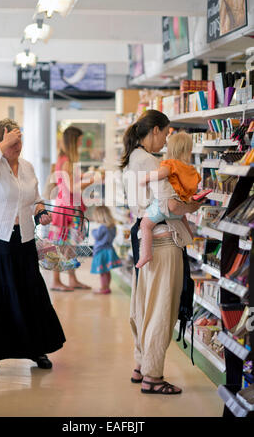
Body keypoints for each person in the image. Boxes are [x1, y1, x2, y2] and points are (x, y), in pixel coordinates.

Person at [0, 118, 66, 377]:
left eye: (20, 141)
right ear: (0, 141)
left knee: (30, 294)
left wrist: (40, 211)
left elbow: (35, 199)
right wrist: (1, 145)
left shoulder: (28, 168)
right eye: (12, 141)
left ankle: (36, 347)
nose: (17, 146)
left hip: (24, 239)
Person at [120, 110, 203, 395]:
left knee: (143, 306)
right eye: (166, 134)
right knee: (161, 311)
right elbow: (171, 206)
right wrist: (193, 206)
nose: (166, 140)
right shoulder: (151, 162)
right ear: (155, 130)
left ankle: (141, 365)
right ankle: (152, 377)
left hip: (146, 238)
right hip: (164, 242)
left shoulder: (132, 159)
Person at [136, 131, 201, 268]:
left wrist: (145, 179)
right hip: (180, 207)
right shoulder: (191, 170)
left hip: (164, 205)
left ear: (171, 149)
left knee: (145, 225)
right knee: (183, 219)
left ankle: (146, 254)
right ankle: (189, 236)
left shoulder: (170, 164)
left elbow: (161, 174)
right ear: (189, 150)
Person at [51, 126, 98, 292]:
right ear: (73, 141)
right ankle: (56, 280)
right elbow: (71, 187)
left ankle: (72, 279)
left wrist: (86, 176)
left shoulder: (66, 160)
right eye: (79, 140)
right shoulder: (66, 162)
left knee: (70, 246)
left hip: (70, 207)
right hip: (66, 209)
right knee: (61, 246)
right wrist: (93, 180)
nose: (81, 143)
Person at [90, 206, 122, 294]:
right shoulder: (112, 227)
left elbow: (97, 236)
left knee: (102, 272)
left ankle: (103, 288)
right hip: (109, 250)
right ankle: (107, 287)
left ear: (100, 216)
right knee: (107, 271)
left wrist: (93, 231)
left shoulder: (102, 227)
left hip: (101, 251)